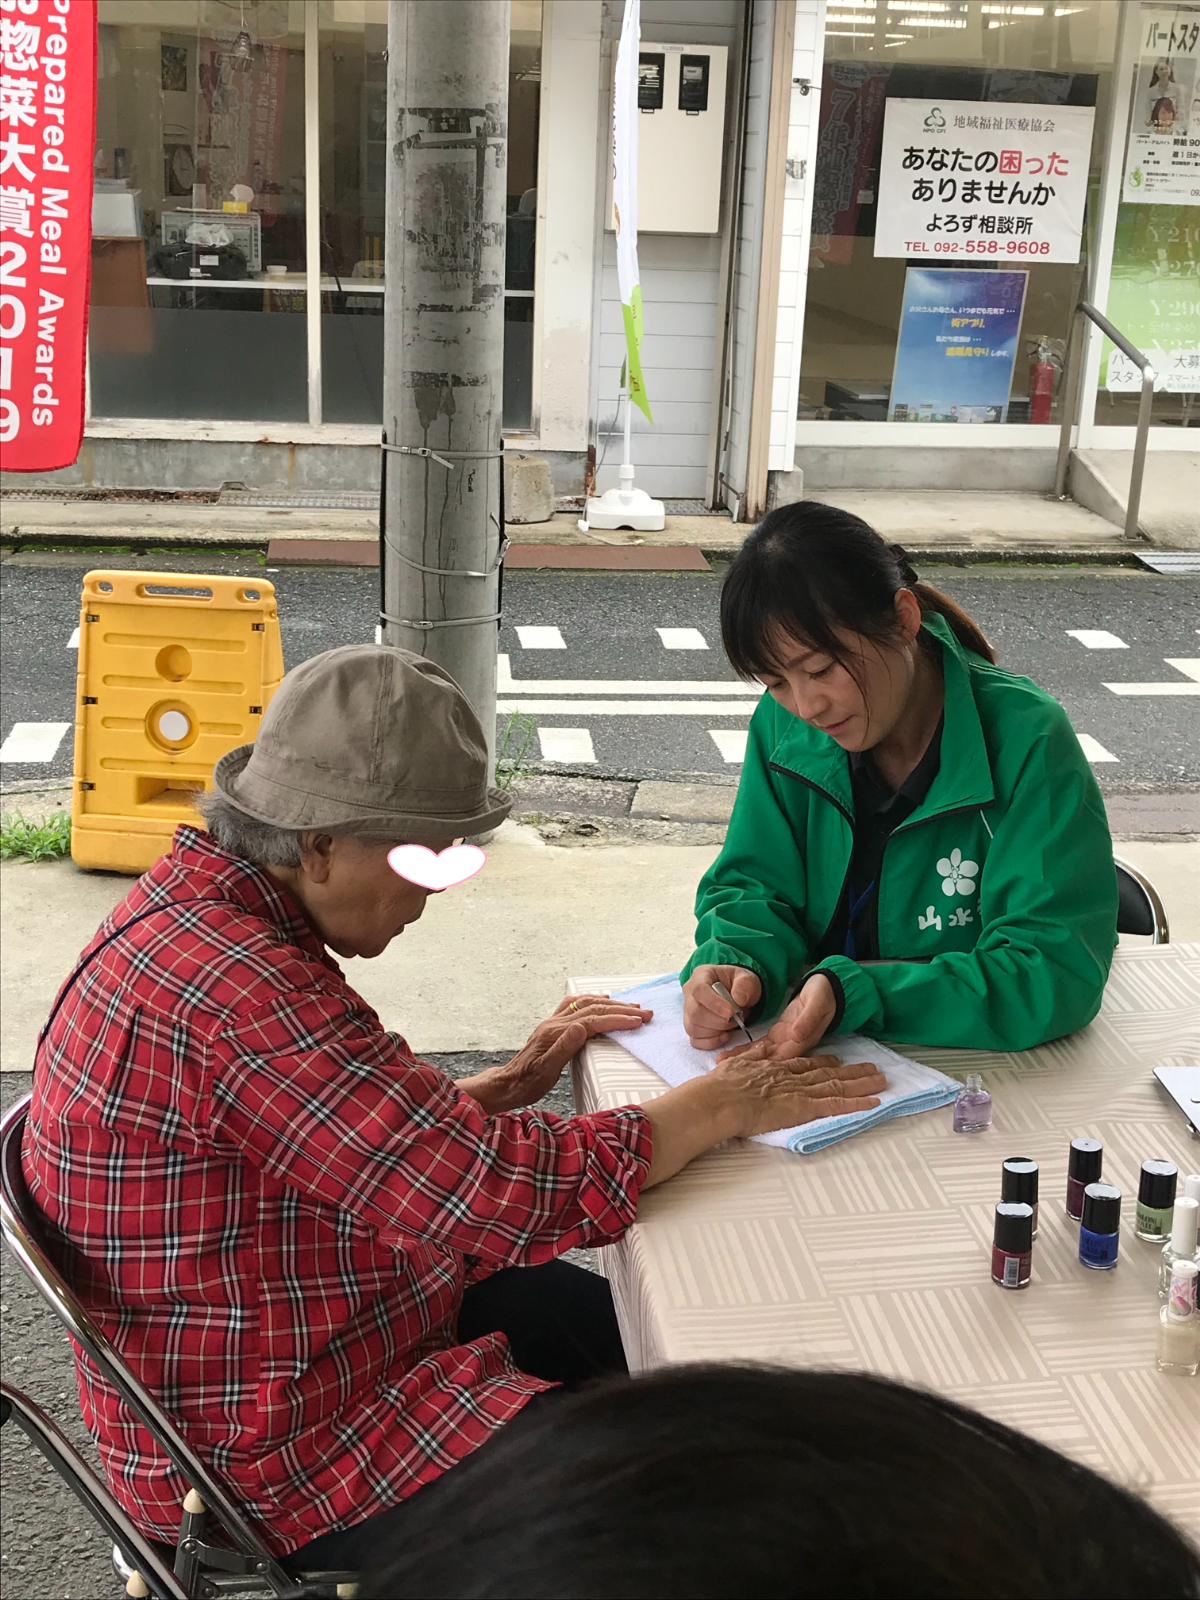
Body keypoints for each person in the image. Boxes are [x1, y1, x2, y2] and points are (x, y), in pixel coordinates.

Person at [21, 644, 885, 1569]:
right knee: (668, 1496)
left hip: (277, 1340)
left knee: (668, 1356)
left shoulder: (196, 909)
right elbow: (496, 1196)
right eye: (421, 855)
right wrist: (720, 1101)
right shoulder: (243, 992)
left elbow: (292, 1133)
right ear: (316, 842)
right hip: (278, 1450)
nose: (432, 893)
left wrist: (481, 1097)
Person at [681, 503, 1117, 1060]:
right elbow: (752, 885)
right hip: (810, 1060)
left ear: (904, 619)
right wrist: (736, 964)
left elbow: (1052, 969)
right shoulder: (783, 725)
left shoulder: (1026, 737)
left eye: (820, 670)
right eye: (775, 681)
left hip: (973, 1071)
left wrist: (856, 993)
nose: (807, 705)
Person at [359, 1366, 1200, 1599]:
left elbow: (1039, 972)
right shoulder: (254, 995)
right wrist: (739, 970)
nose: (418, 917)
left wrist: (846, 989)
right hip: (345, 1420)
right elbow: (737, 926)